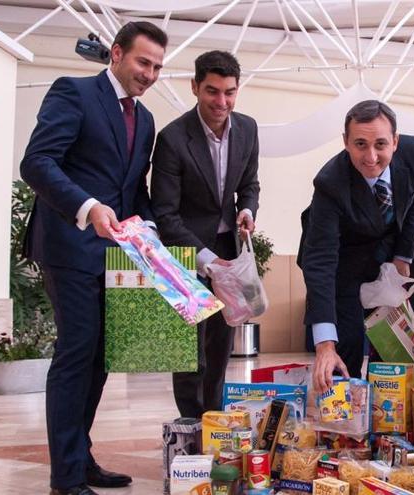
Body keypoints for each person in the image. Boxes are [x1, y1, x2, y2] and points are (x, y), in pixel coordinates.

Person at [20, 21, 167, 495]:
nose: (149, 74)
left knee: (102, 358)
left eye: (158, 67)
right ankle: (65, 477)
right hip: (68, 245)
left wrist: (152, 233)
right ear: (117, 54)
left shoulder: (144, 120)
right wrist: (88, 206)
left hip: (116, 255)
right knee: (76, 351)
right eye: (143, 62)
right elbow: (38, 162)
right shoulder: (74, 92)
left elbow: (132, 189)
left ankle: (79, 458)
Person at [151, 50, 260, 417]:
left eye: (229, 92)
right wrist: (208, 261)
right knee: (188, 352)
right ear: (195, 86)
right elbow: (165, 214)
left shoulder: (247, 129)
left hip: (229, 249)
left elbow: (249, 184)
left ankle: (214, 421)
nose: (221, 102)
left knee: (220, 348)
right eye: (212, 91)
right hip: (186, 254)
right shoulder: (172, 139)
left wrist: (246, 209)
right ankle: (190, 425)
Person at [298, 100, 414, 393]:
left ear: (395, 142)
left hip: (388, 248)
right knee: (346, 347)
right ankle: (344, 418)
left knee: (396, 344)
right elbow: (320, 261)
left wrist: (403, 254)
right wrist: (324, 344)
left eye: (381, 144)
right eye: (360, 144)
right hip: (343, 258)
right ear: (346, 142)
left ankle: (389, 410)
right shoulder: (330, 183)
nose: (371, 157)